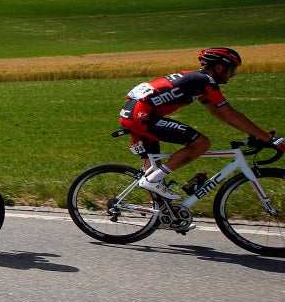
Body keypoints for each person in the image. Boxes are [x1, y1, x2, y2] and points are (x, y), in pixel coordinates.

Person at [119, 47, 285, 200]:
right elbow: (231, 114)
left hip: (132, 114)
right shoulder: (205, 81)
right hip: (142, 116)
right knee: (201, 143)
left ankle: (161, 214)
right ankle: (153, 180)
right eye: (232, 69)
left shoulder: (197, 82)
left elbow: (220, 113)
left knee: (153, 167)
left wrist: (254, 134)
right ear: (220, 67)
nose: (233, 74)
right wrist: (269, 138)